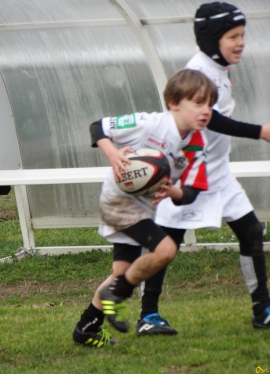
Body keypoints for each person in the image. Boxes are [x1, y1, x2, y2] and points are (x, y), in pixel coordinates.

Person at [127, 2, 270, 337]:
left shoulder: (218, 66)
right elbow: (213, 119)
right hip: (190, 171)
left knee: (251, 233)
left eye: (242, 35)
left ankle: (262, 309)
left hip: (219, 172)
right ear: (211, 38)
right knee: (167, 246)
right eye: (233, 36)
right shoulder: (200, 70)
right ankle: (148, 315)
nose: (240, 42)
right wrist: (260, 131)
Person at [72, 68, 217, 347]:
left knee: (122, 271)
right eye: (198, 102)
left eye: (209, 104)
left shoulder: (198, 145)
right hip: (119, 202)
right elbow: (98, 127)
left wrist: (174, 191)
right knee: (165, 250)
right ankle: (119, 293)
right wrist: (113, 153)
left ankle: (86, 326)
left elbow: (191, 192)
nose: (205, 110)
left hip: (143, 208)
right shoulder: (149, 123)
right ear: (174, 102)